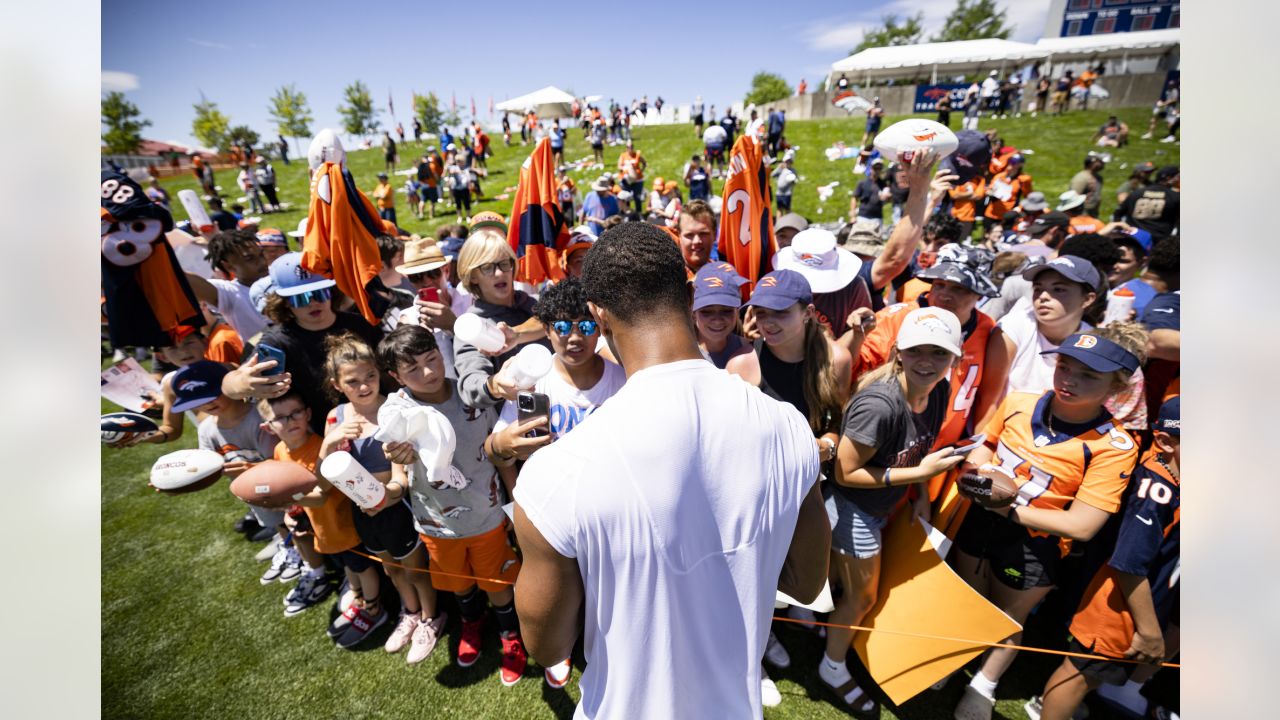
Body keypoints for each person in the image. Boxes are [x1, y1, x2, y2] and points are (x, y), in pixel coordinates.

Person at [512, 222, 830, 718]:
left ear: (598, 314)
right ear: (688, 293)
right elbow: (808, 584)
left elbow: (548, 647)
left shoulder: (555, 473)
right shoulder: (788, 428)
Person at [950, 327, 1141, 720]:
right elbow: (987, 442)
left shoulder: (1113, 446)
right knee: (966, 595)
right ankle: (951, 658)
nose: (1069, 379)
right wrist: (979, 470)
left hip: (1038, 541)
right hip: (980, 519)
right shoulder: (1020, 402)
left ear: (1116, 385)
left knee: (1008, 617)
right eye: (1065, 366)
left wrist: (1006, 509)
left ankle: (983, 685)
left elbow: (1084, 525)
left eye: (1088, 375)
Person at [823, 307, 969, 713]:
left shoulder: (937, 390)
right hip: (853, 508)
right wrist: (917, 476)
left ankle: (826, 633)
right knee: (863, 598)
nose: (927, 362)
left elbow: (916, 448)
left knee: (849, 589)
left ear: (954, 359)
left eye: (938, 353)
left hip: (882, 506)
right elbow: (844, 473)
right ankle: (832, 667)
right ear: (898, 352)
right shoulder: (880, 405)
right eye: (917, 351)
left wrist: (919, 489)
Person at [375, 325, 528, 685]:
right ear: (395, 376)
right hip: (434, 523)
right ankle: (471, 624)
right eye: (413, 369)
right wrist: (390, 491)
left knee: (496, 581)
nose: (428, 372)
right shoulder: (397, 412)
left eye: (432, 360)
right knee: (459, 583)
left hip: (487, 515)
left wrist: (517, 503)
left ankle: (510, 636)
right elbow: (398, 474)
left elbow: (502, 455)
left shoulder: (471, 395)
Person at [1028, 396, 1180, 720]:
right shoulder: (1155, 491)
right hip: (1119, 609)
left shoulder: (1177, 479)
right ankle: (1051, 708)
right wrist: (1150, 630)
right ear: (1167, 442)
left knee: (1096, 674)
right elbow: (1128, 564)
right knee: (1079, 674)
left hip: (1142, 605)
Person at [316, 333, 445, 661]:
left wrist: (388, 495)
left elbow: (403, 474)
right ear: (337, 384)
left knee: (415, 570)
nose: (363, 386)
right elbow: (324, 479)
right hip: (363, 511)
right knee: (392, 570)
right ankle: (410, 613)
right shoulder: (336, 418)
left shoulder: (394, 408)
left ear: (380, 373)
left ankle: (432, 618)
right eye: (353, 381)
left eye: (370, 376)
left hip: (396, 506)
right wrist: (327, 445)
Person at [220, 252, 385, 432]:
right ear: (284, 302)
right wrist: (242, 383)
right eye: (300, 298)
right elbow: (229, 386)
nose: (312, 303)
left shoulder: (361, 324)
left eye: (320, 293)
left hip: (379, 420)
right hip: (325, 435)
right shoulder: (278, 340)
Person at [451, 229, 551, 410]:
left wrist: (518, 334)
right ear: (472, 275)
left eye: (504, 263)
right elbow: (471, 383)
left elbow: (553, 319)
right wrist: (494, 385)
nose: (499, 273)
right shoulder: (473, 327)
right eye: (487, 267)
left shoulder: (534, 305)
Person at [183, 229, 270, 341]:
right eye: (249, 259)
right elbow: (185, 281)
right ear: (229, 266)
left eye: (261, 255)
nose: (262, 262)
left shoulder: (281, 275)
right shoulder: (230, 293)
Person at [690, 263, 752, 369]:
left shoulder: (749, 349)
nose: (717, 320)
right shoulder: (682, 353)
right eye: (707, 311)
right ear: (693, 313)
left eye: (726, 311)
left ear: (737, 311)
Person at [1114, 166, 1179, 242]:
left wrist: (1121, 231)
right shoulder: (1175, 197)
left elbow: (1118, 213)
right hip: (1159, 240)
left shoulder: (1136, 193)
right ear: (1168, 178)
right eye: (1178, 177)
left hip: (1134, 238)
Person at [983, 154, 1031, 230]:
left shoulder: (1023, 179)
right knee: (987, 234)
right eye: (1010, 161)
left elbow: (1029, 197)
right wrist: (988, 192)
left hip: (1008, 213)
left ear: (1020, 165)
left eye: (1014, 162)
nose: (1011, 164)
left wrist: (1019, 208)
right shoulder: (999, 176)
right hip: (992, 211)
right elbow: (989, 188)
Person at [675, 199, 715, 278]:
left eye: (703, 234)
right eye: (689, 235)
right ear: (679, 235)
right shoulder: (667, 277)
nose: (697, 241)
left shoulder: (724, 276)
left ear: (714, 234)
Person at [852, 158, 889, 227]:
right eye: (875, 168)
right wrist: (853, 216)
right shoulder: (862, 183)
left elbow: (887, 200)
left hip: (877, 217)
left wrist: (887, 198)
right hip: (863, 216)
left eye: (879, 168)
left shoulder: (883, 184)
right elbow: (854, 198)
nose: (877, 171)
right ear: (871, 168)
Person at [1070, 152, 1107, 218]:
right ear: (1091, 163)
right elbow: (1073, 197)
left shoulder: (1098, 178)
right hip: (1081, 215)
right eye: (1099, 162)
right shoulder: (1081, 178)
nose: (1102, 164)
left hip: (1092, 214)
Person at [617, 140, 647, 214]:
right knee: (626, 197)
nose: (630, 148)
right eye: (628, 147)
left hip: (637, 180)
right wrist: (625, 168)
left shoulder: (637, 155)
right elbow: (619, 166)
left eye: (631, 147)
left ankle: (639, 214)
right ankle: (627, 213)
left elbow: (644, 163)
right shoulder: (623, 155)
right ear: (626, 148)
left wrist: (640, 171)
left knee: (637, 197)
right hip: (626, 180)